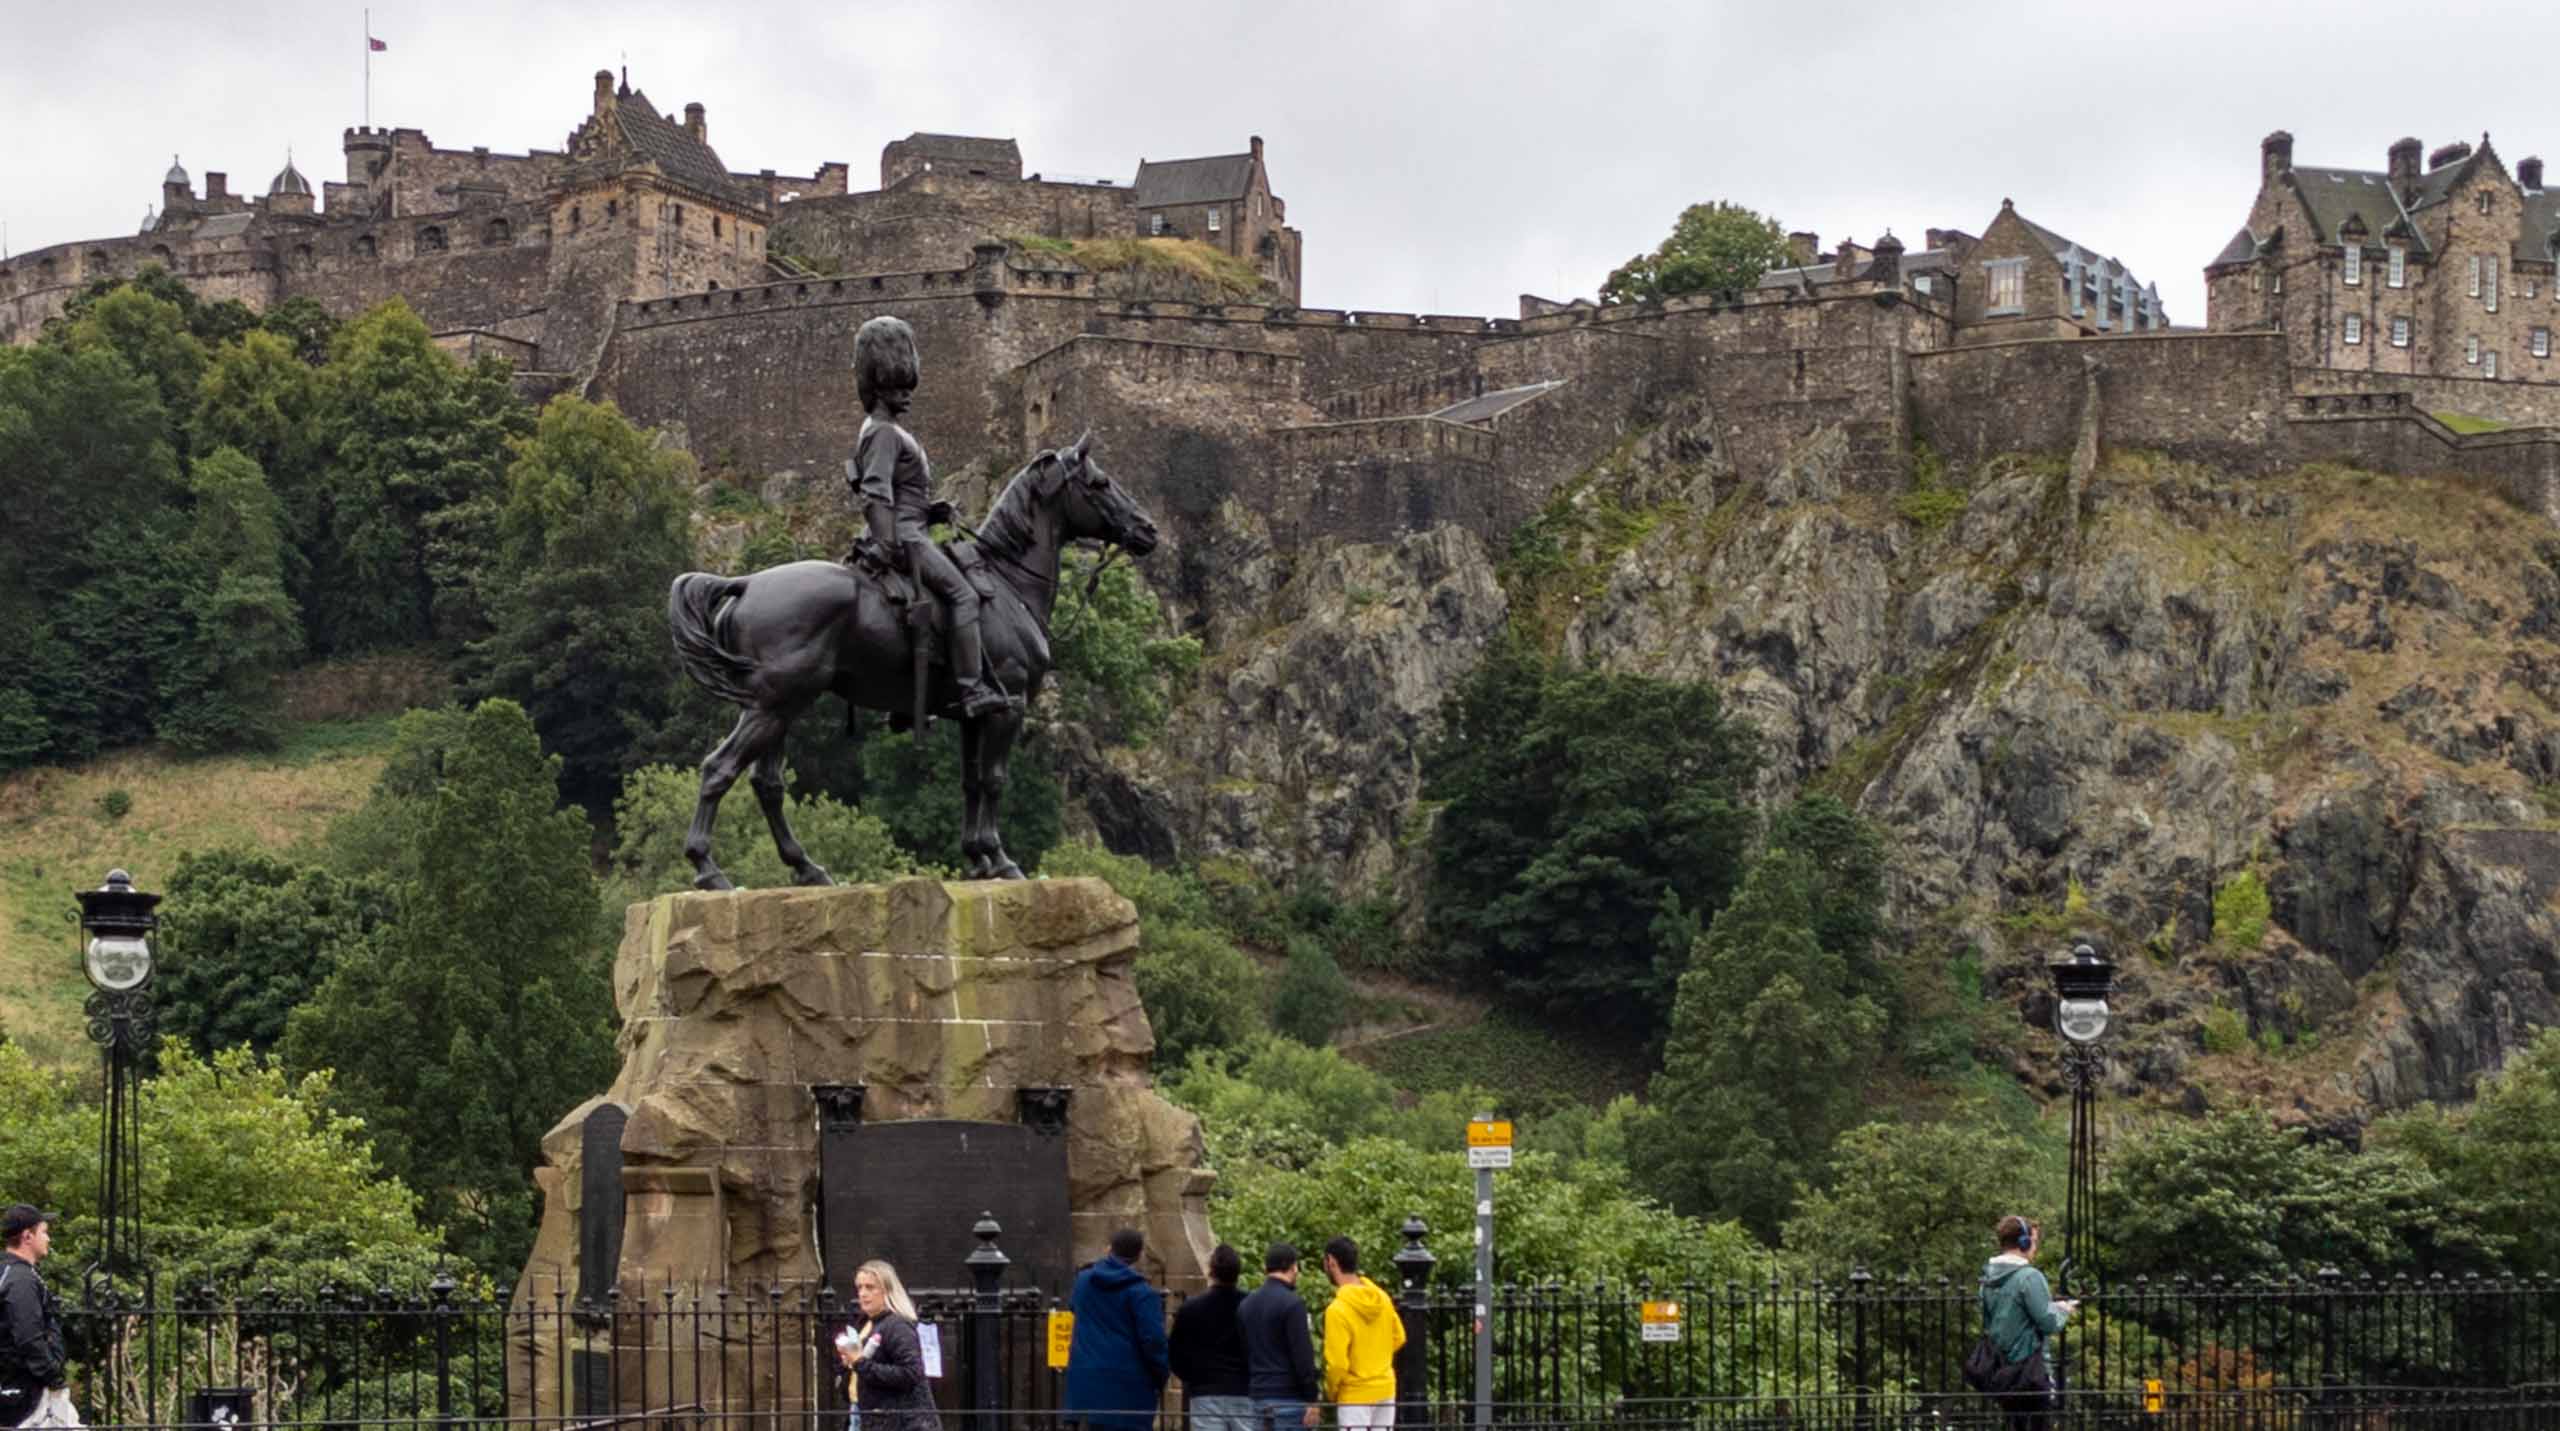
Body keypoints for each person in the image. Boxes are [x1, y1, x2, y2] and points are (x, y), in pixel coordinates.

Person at [845, 314, 1011, 720]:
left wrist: (933, 511)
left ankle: (915, 689)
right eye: (899, 387)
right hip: (904, 538)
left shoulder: (887, 429)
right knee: (964, 595)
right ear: (880, 387)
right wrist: (889, 546)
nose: (908, 394)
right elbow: (874, 492)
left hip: (910, 528)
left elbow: (900, 494)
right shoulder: (883, 432)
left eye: (907, 385)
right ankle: (972, 690)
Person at [1063, 1227, 1170, 1431]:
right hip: (1128, 1388)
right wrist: (1161, 1374)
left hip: (1085, 1385)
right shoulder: (1141, 1292)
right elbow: (1154, 1340)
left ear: (1109, 1249)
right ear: (1138, 1255)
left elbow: (1074, 1308)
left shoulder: (1084, 1281)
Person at [1979, 1215, 2074, 1431]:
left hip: (2002, 1369)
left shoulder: (1987, 1280)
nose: (2034, 1247)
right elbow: (2048, 1322)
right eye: (2034, 1241)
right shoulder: (2029, 1277)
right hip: (2030, 1370)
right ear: (2024, 1242)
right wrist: (2063, 1310)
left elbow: (1989, 1321)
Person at [835, 1260, 940, 1431]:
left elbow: (911, 1373)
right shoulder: (866, 1324)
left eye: (870, 1287)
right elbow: (860, 1370)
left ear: (888, 1291)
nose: (862, 1293)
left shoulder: (897, 1326)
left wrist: (860, 1362)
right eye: (859, 1287)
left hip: (897, 1421)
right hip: (864, 1413)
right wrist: (847, 1361)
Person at [1317, 1237, 1404, 1430]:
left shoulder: (1337, 1310)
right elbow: (1399, 1336)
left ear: (1331, 1262)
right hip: (1385, 1387)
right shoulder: (1381, 1297)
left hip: (1354, 1394)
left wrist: (1331, 1392)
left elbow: (1338, 1364)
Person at [1170, 1245, 1253, 1431]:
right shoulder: (1251, 1306)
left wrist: (1191, 1378)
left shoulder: (1191, 1308)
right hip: (1244, 1389)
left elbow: (1175, 1352)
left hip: (1204, 1390)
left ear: (1211, 1271)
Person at [1239, 1242, 1319, 1431]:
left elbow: (1244, 1350)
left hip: (1258, 1395)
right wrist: (1312, 1398)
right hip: (1289, 1397)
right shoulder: (1293, 1303)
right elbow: (1302, 1355)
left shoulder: (1246, 1304)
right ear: (1292, 1267)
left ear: (1265, 1268)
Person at [0, 1207, 65, 1431]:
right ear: (28, 1236)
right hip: (25, 1395)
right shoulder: (20, 1280)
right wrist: (53, 1376)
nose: (48, 1238)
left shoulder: (8, 1272)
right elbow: (28, 1337)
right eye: (44, 1232)